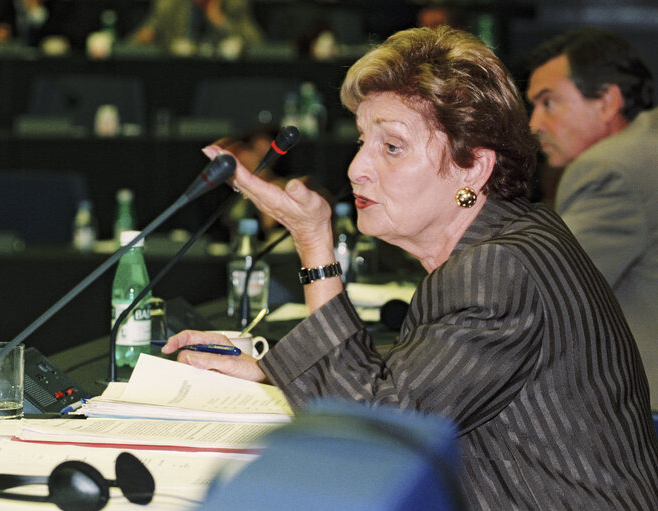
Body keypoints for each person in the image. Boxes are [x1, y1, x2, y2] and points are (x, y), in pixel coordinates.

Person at [164, 26, 658, 509]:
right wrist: (272, 367)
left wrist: (313, 242)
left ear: (472, 168)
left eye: (391, 146)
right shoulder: (515, 235)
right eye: (362, 140)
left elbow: (370, 441)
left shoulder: (495, 270)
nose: (358, 166)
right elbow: (425, 368)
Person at [525, 28, 658, 410]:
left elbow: (539, 296)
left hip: (637, 419)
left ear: (606, 101)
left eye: (549, 103)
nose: (535, 124)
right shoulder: (644, 146)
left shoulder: (612, 168)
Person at [127, 0, 263, 56]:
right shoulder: (169, 6)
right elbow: (133, 43)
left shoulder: (234, 4)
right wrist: (144, 39)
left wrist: (221, 22)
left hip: (222, 77)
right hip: (179, 73)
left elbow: (259, 44)